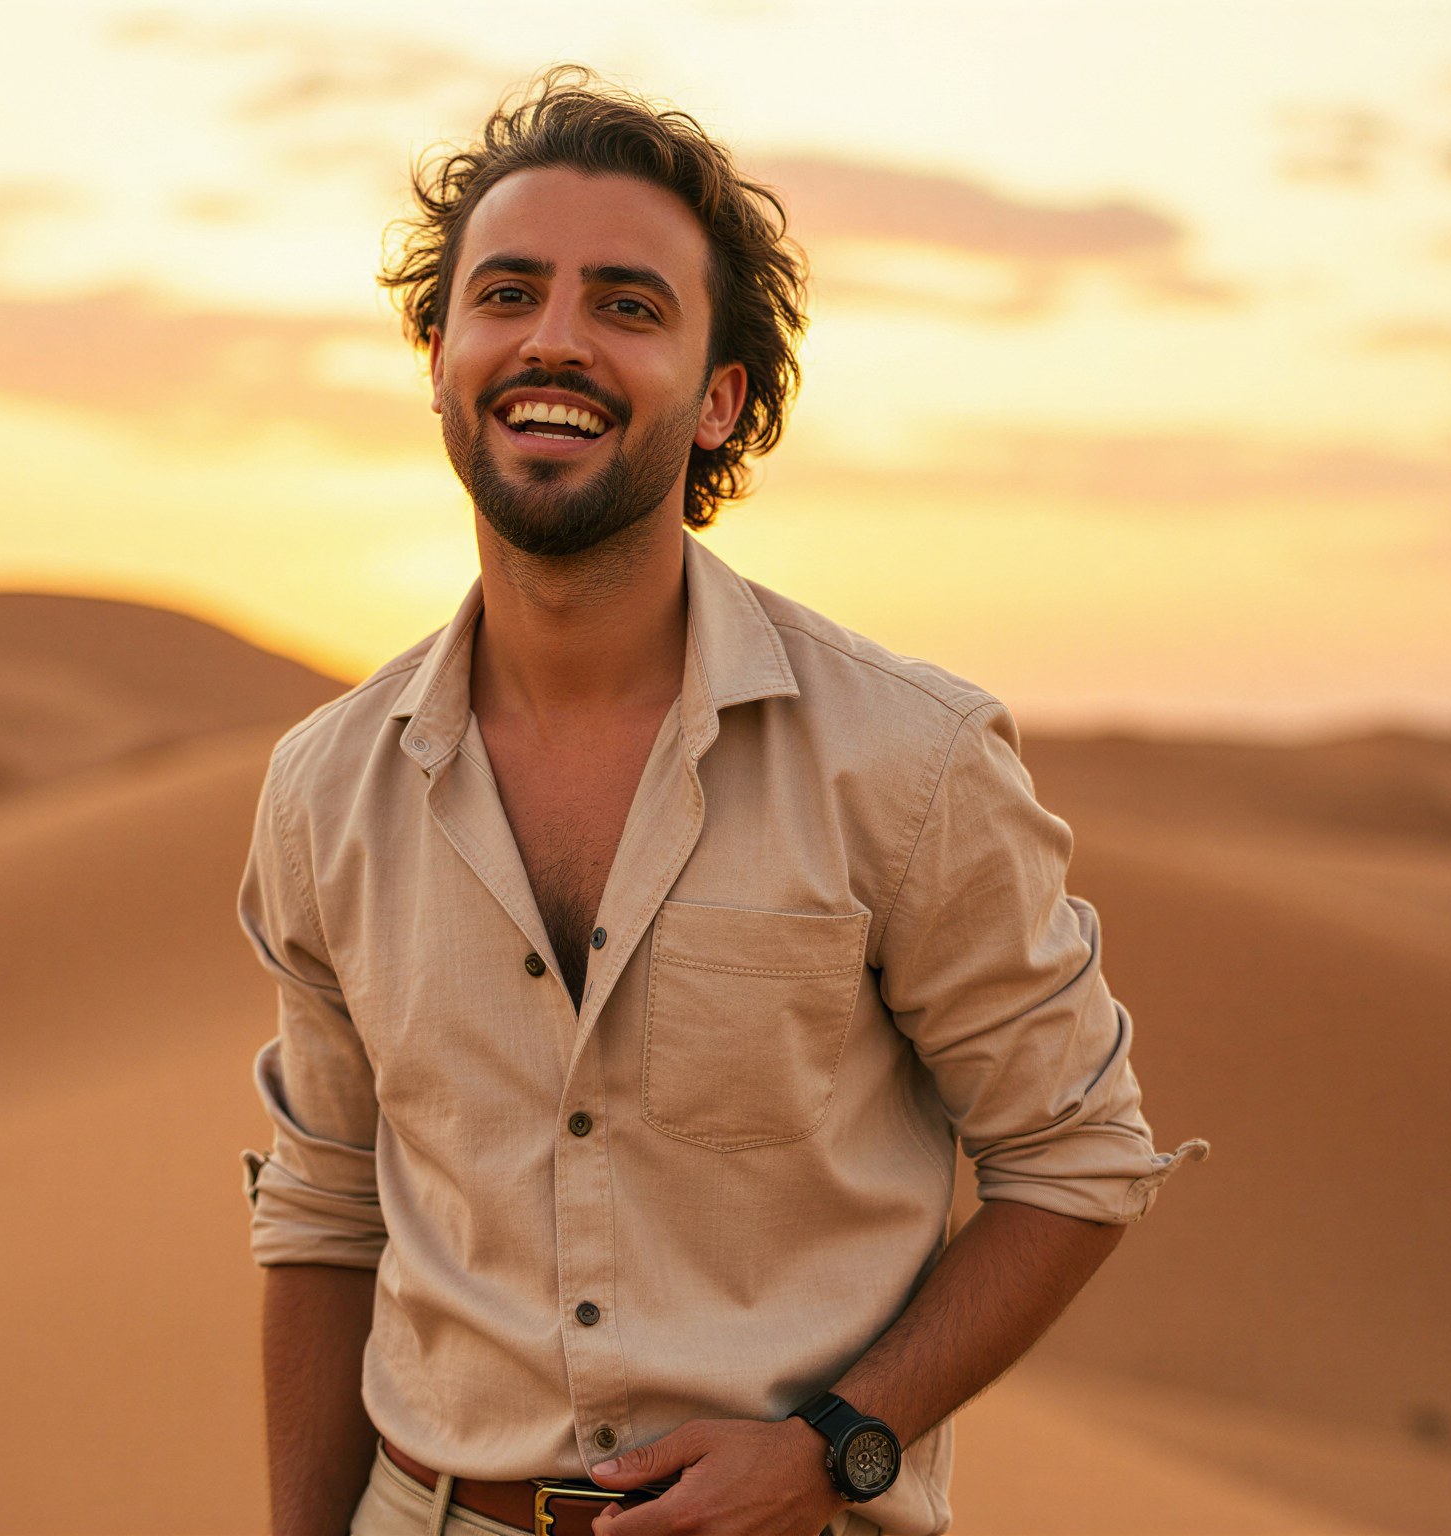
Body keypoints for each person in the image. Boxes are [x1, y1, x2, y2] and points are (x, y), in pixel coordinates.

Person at [239, 66, 1205, 1536]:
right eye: (507, 294)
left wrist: (838, 1446)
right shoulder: (327, 787)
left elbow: (1076, 1152)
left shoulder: (908, 758)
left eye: (628, 306)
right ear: (440, 353)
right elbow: (322, 1209)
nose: (553, 340)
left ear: (720, 399)